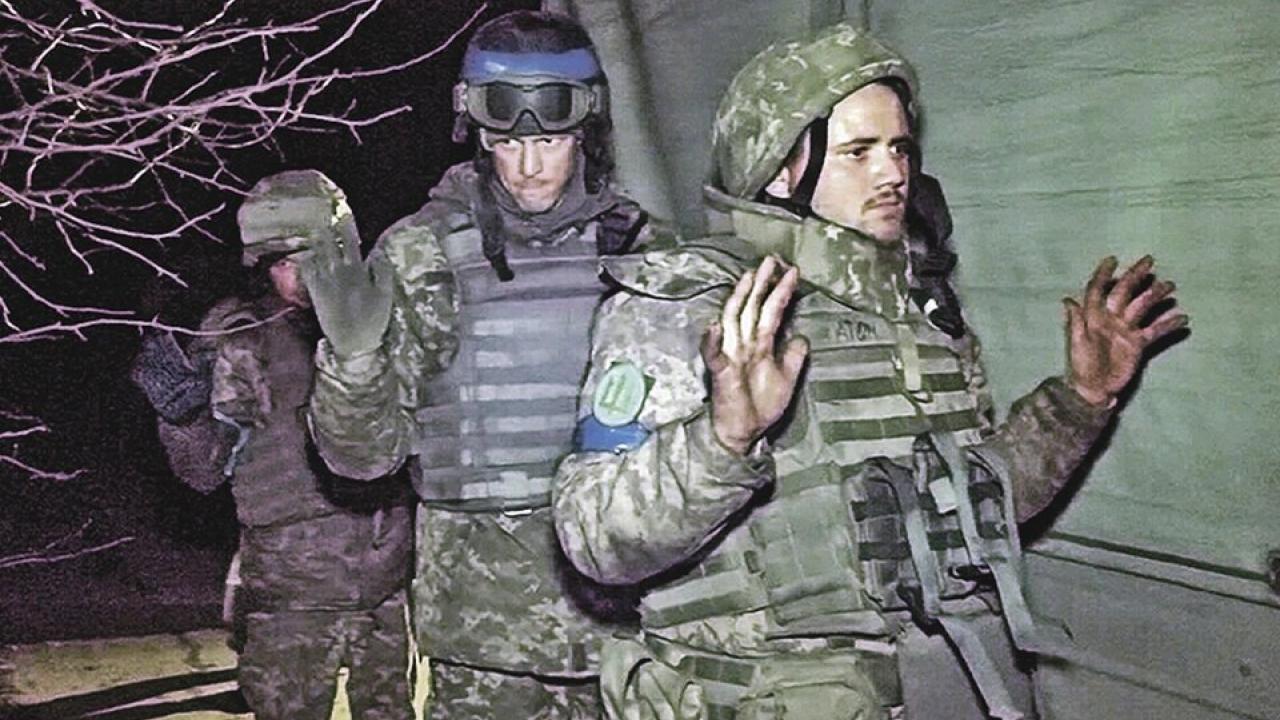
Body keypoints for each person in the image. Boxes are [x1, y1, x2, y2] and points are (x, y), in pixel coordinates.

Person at [552, 22, 1187, 720]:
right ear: (780, 170)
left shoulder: (922, 308)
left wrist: (1080, 400)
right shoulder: (692, 304)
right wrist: (723, 440)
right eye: (858, 152)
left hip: (945, 689)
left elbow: (975, 509)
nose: (892, 173)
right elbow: (594, 539)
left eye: (899, 148)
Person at [302, 11, 673, 719]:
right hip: (482, 636)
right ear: (477, 133)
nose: (529, 165)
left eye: (549, 140)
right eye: (508, 142)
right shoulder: (421, 253)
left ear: (585, 130)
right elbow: (362, 460)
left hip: (627, 627)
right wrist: (352, 362)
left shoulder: (647, 252)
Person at [135, 170, 415, 720]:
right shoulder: (243, 339)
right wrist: (184, 416)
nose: (302, 276)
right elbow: (203, 469)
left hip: (384, 585)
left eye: (314, 257)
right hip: (292, 598)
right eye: (284, 263)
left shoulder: (389, 320)